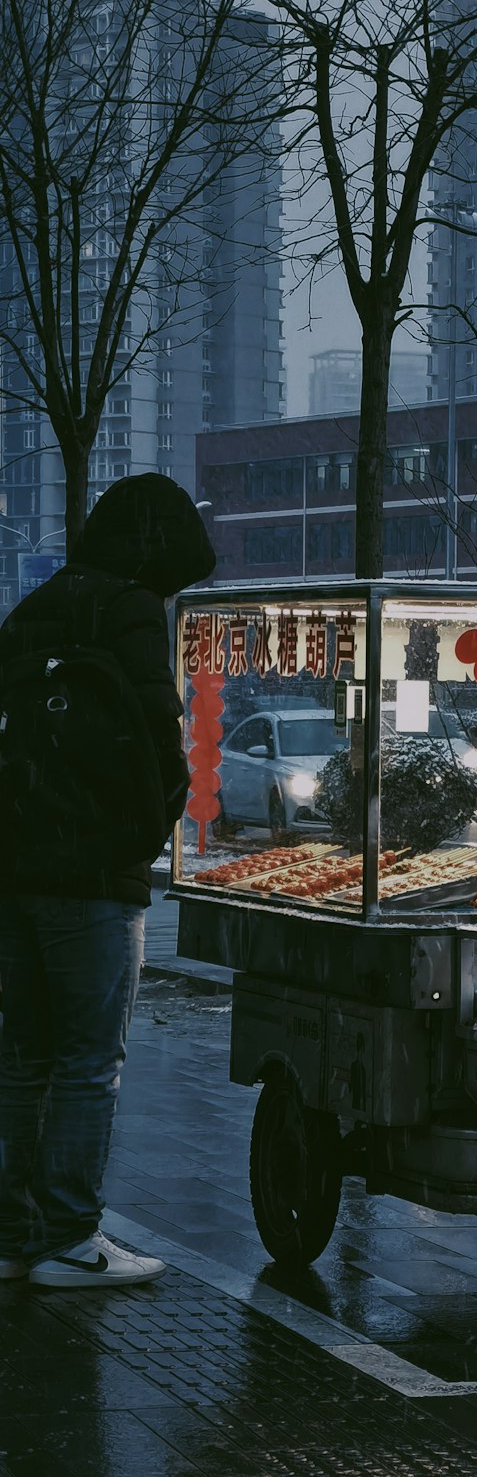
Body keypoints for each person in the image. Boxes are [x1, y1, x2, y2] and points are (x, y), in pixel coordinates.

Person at [0, 473, 215, 1288]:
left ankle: (14, 1234)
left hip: (16, 872)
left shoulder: (33, 609)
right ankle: (69, 1239)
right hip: (91, 880)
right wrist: (138, 840)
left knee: (23, 1055)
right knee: (91, 1060)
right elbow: (162, 745)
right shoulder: (126, 610)